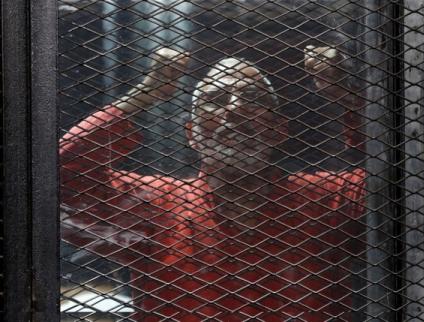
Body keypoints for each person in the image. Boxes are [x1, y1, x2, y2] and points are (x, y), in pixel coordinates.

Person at [61, 48, 366, 321]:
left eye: (253, 99)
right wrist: (144, 94)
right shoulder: (154, 205)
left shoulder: (327, 197)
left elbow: (407, 177)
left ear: (278, 130)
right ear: (192, 134)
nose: (233, 109)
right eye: (214, 101)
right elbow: (56, 179)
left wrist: (349, 97)